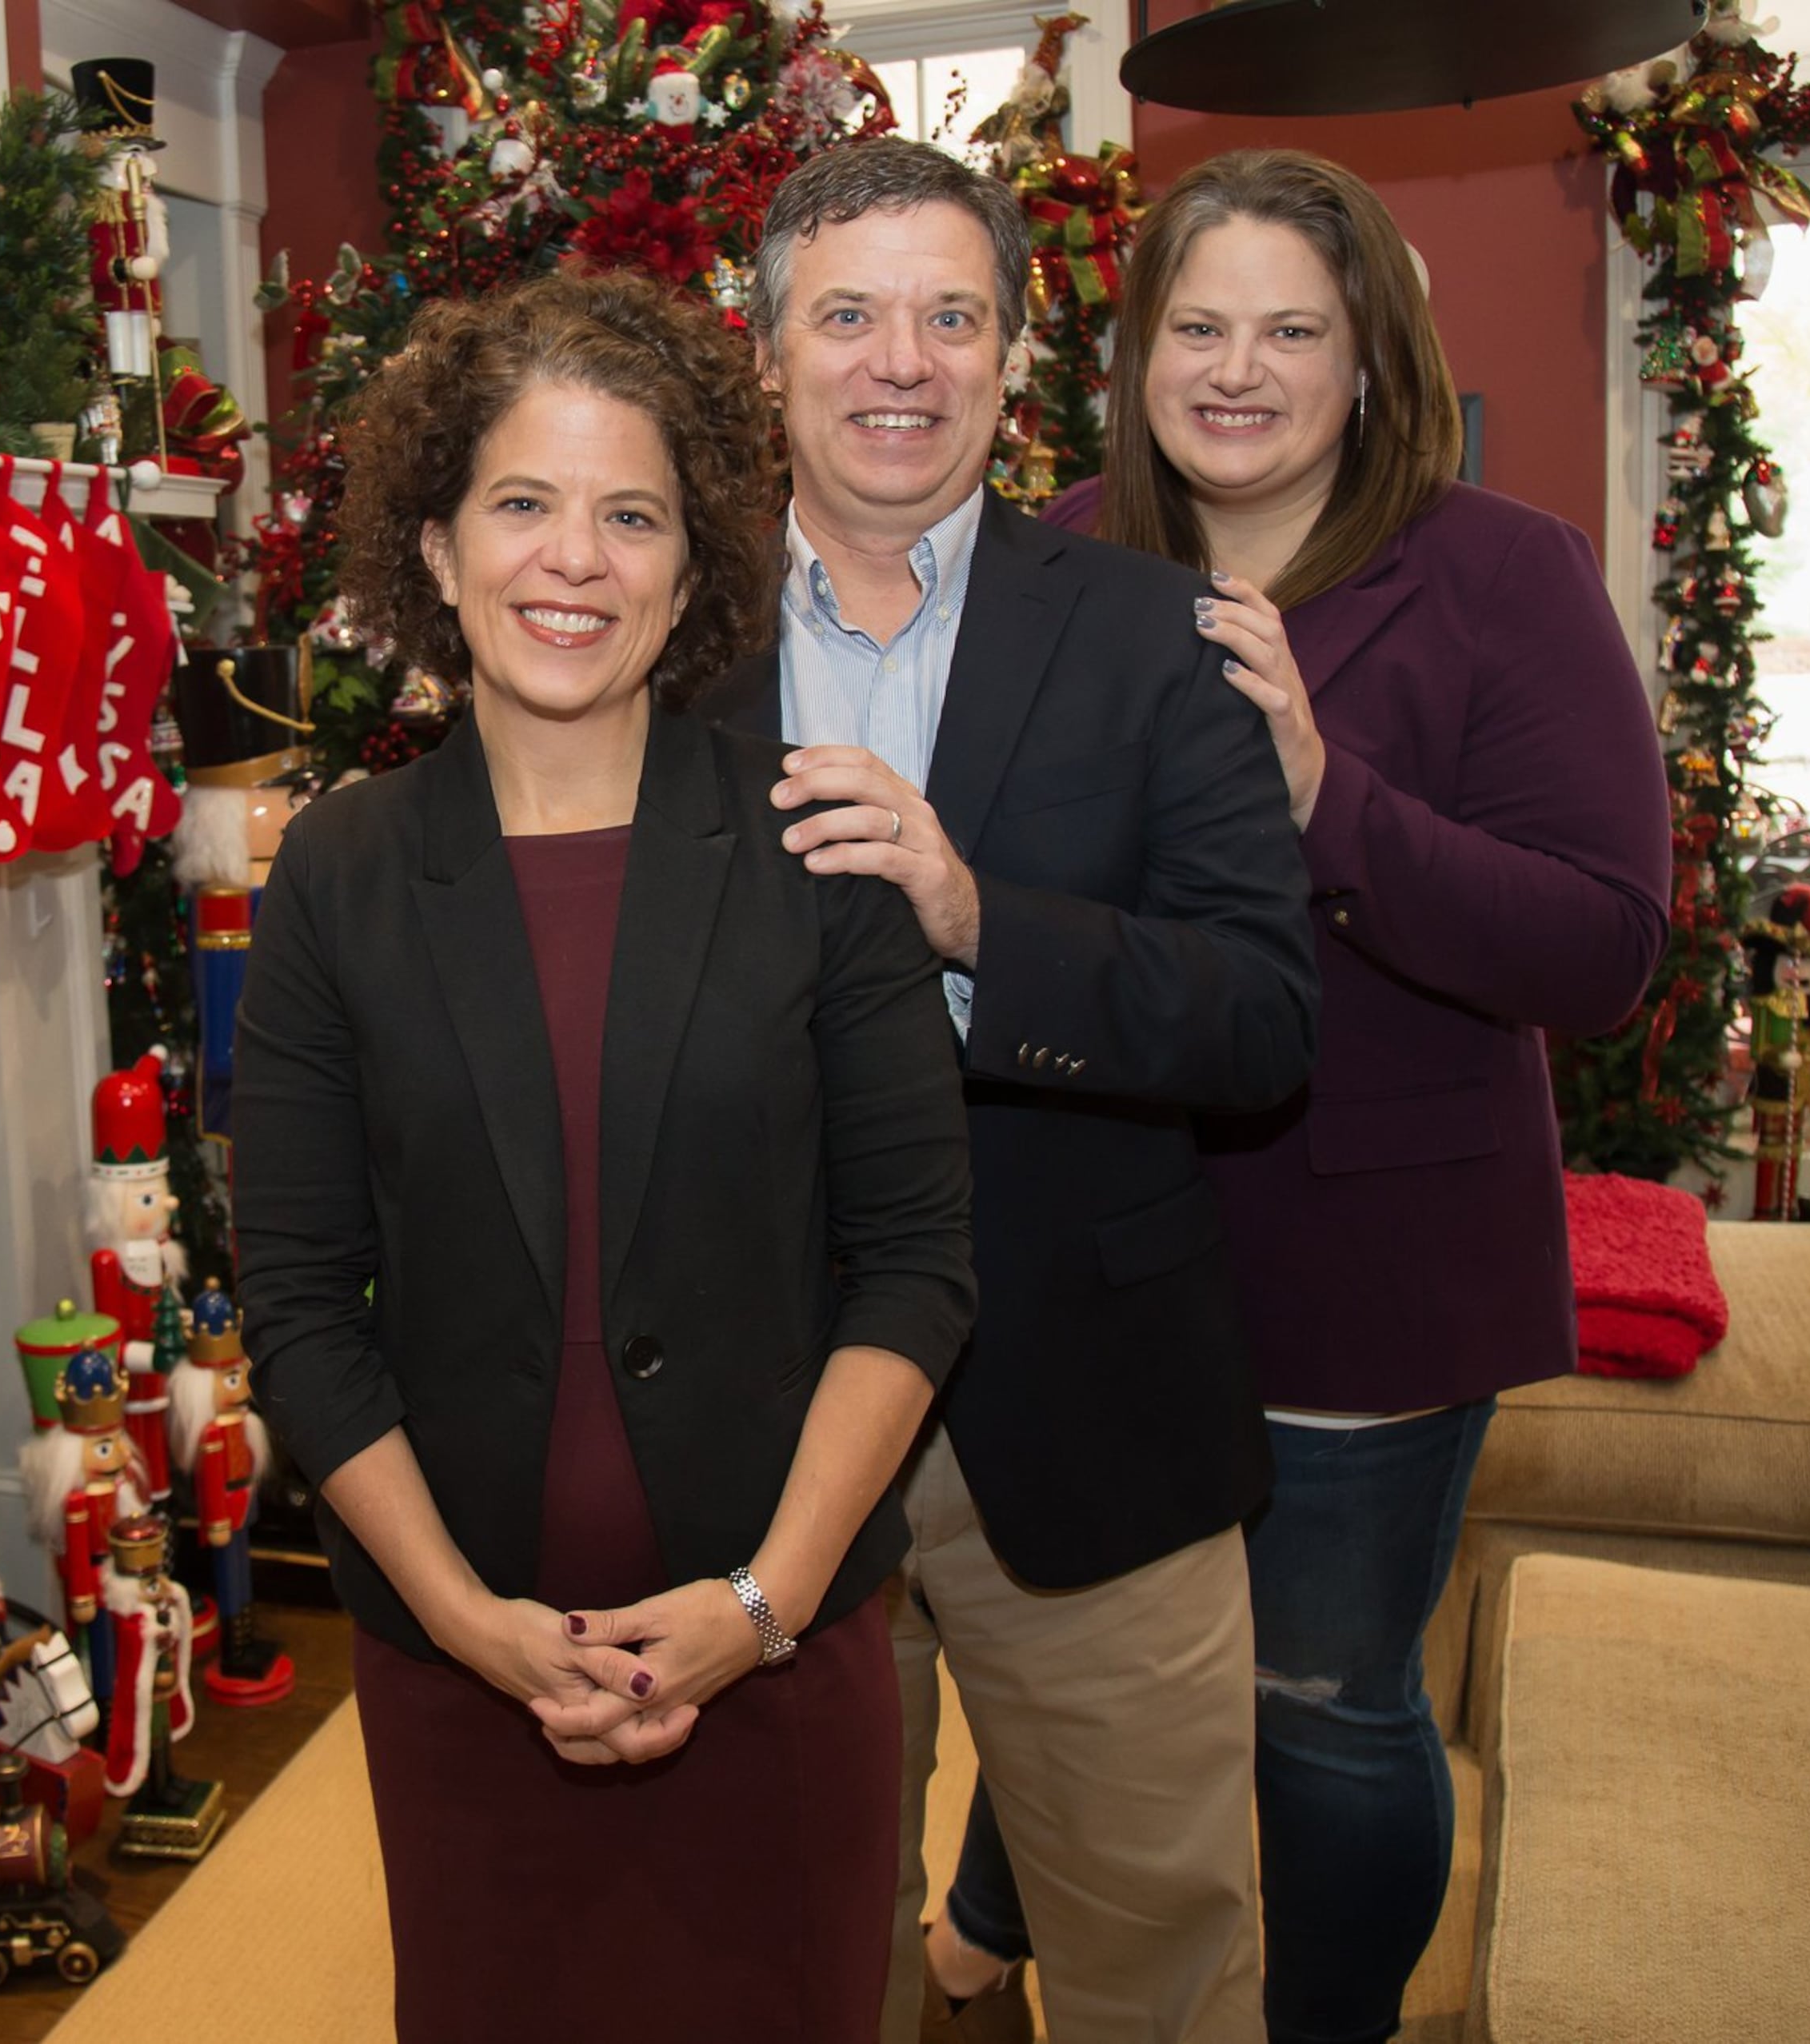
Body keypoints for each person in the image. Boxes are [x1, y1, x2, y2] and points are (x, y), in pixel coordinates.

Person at [933, 149, 1672, 2044]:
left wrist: (1325, 792)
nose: (1239, 370)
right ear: (1135, 351)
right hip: (1099, 1238)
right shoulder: (1066, 559)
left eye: (1293, 330)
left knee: (1319, 1702)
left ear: (1371, 361)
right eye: (1199, 325)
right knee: (1093, 1638)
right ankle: (1002, 1906)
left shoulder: (1502, 577)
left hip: (1371, 1263)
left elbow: (1600, 949)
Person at [232, 267, 977, 2042]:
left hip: (776, 1670)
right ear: (435, 544)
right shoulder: (339, 872)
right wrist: (464, 1618)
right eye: (523, 503)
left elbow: (917, 1267)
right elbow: (298, 1304)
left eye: (628, 514)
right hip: (460, 1678)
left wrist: (763, 1602)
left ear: (691, 559)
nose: (574, 560)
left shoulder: (817, 841)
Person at [714, 137, 1321, 2044]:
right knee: (803, 1960)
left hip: (1094, 1419)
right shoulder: (651, 635)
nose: (904, 360)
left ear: (1012, 358)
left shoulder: (1163, 634)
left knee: (1165, 1957)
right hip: (752, 1415)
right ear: (766, 358)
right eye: (851, 314)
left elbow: (1260, 1020)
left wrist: (979, 915)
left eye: (952, 314)